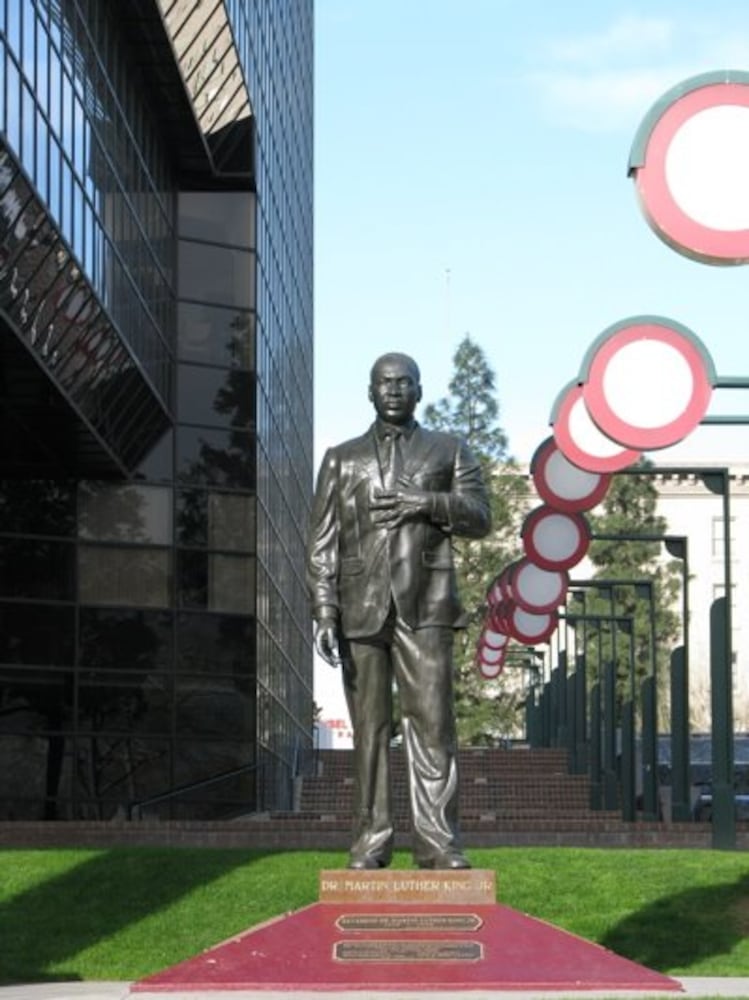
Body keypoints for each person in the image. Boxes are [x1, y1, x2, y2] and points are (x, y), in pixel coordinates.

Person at [306, 352, 491, 870]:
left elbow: (480, 516)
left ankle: (438, 843)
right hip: (359, 608)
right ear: (370, 392)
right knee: (369, 731)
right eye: (384, 383)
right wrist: (324, 611)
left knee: (432, 724)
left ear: (418, 390)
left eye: (403, 382)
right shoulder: (342, 459)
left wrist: (427, 503)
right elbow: (322, 543)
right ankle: (371, 840)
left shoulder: (448, 449)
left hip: (426, 604)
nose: (393, 390)